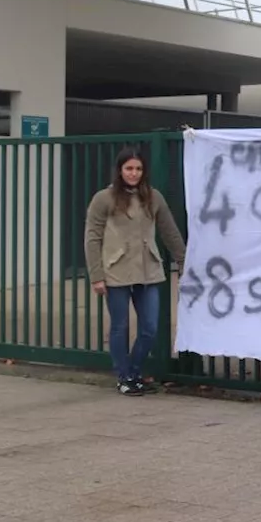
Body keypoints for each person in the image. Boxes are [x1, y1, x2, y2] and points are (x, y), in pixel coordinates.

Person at [84, 146, 186, 396]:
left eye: (138, 168)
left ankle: (135, 372)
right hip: (116, 270)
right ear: (120, 170)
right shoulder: (103, 198)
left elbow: (169, 232)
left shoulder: (153, 197)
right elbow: (92, 237)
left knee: (150, 326)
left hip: (148, 269)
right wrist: (96, 276)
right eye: (129, 168)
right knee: (120, 326)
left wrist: (183, 261)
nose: (134, 173)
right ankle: (124, 376)